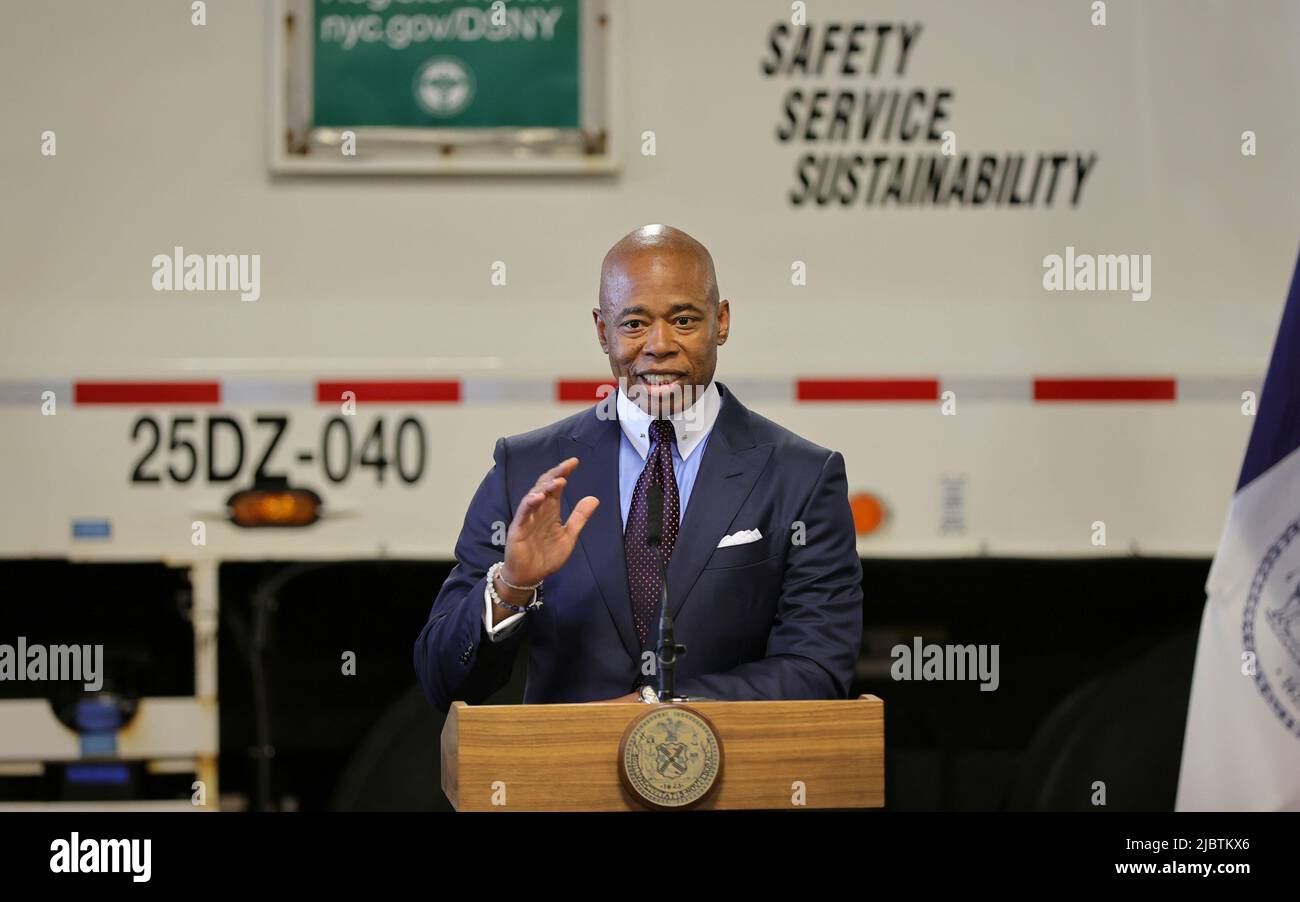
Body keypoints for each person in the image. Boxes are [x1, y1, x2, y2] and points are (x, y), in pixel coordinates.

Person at [414, 224, 863, 712]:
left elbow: (817, 670)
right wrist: (510, 588)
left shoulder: (802, 476)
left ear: (723, 321)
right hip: (565, 781)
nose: (659, 344)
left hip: (733, 781)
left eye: (685, 320)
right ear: (603, 331)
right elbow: (443, 682)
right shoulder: (525, 470)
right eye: (633, 324)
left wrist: (657, 709)